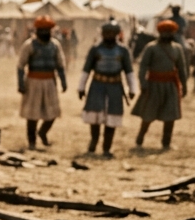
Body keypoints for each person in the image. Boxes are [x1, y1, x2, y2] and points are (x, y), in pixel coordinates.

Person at [78, 21, 136, 156]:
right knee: (95, 118)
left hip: (115, 88)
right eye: (106, 33)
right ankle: (93, 143)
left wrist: (132, 88)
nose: (109, 35)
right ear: (102, 34)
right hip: (97, 86)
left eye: (112, 33)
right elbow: (86, 69)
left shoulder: (123, 51)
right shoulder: (95, 49)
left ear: (117, 34)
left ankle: (107, 148)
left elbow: (129, 71)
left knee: (112, 118)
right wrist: (81, 87)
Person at [132, 19, 189, 149]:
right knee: (148, 114)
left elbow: (182, 68)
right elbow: (143, 67)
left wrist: (184, 85)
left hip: (170, 86)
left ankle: (166, 143)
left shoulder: (177, 48)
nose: (167, 35)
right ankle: (140, 139)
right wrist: (143, 84)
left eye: (170, 32)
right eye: (165, 32)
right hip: (154, 85)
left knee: (170, 116)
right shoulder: (151, 47)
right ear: (160, 32)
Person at [16, 16, 66, 150]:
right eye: (42, 30)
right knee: (32, 115)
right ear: (37, 31)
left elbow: (60, 65)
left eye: (47, 30)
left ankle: (43, 132)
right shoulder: (29, 45)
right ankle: (31, 142)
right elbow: (21, 66)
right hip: (33, 82)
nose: (44, 33)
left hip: (49, 81)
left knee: (52, 113)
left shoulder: (55, 45)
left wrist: (63, 81)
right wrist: (21, 84)